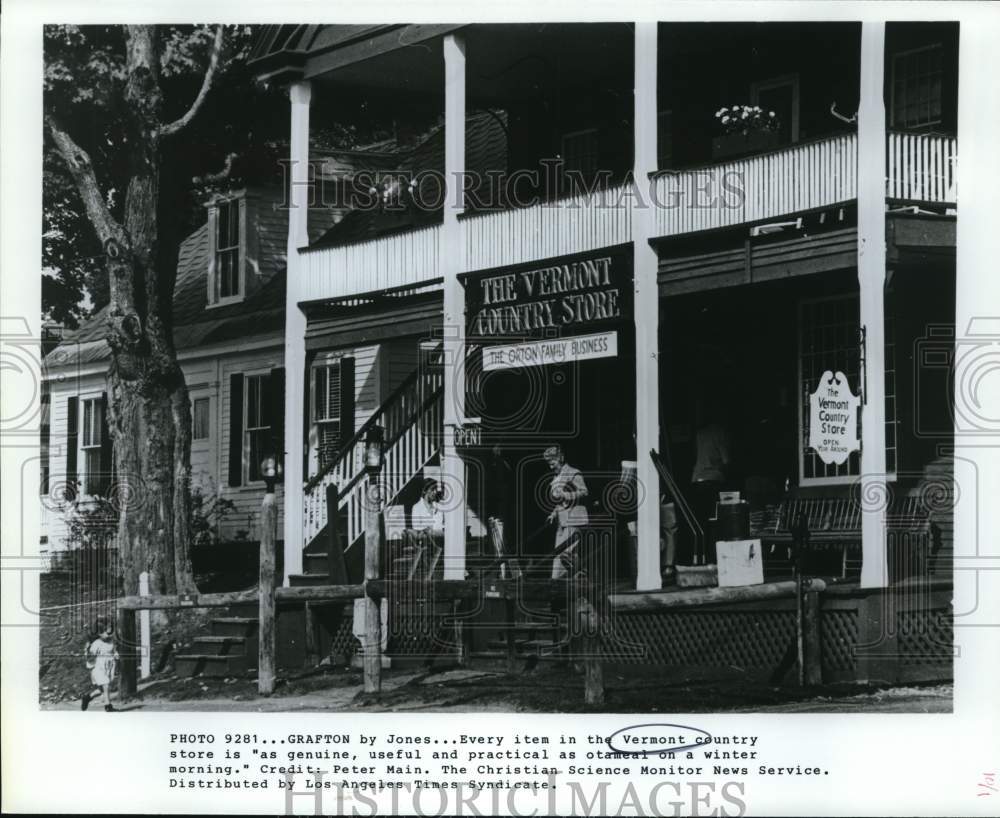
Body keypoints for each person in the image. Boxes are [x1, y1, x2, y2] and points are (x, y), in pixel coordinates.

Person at [690, 398, 732, 563]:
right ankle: (713, 557)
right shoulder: (720, 432)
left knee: (699, 521)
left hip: (697, 480)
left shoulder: (699, 434)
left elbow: (695, 457)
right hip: (713, 480)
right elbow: (727, 460)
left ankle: (698, 556)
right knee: (715, 520)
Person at [543, 444, 589, 579]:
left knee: (565, 554)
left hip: (575, 519)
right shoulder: (556, 477)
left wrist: (566, 495)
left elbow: (584, 492)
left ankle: (582, 575)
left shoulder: (573, 473)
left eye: (553, 463)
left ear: (561, 458)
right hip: (562, 522)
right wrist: (553, 514)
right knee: (558, 556)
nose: (551, 466)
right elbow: (560, 503)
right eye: (549, 464)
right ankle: (560, 586)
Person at [401, 478, 444, 578]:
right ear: (425, 491)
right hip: (424, 541)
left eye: (435, 490)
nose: (434, 492)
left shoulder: (438, 507)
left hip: (437, 538)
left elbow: (440, 525)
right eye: (432, 490)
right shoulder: (417, 507)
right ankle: (425, 577)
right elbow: (416, 528)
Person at [81, 616, 118, 712]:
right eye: (106, 632)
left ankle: (87, 697)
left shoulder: (111, 642)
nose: (109, 635)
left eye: (111, 632)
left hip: (109, 666)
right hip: (99, 667)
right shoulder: (97, 643)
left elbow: (113, 650)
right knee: (106, 684)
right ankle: (108, 706)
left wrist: (116, 654)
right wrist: (88, 651)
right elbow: (90, 656)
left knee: (102, 689)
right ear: (100, 633)